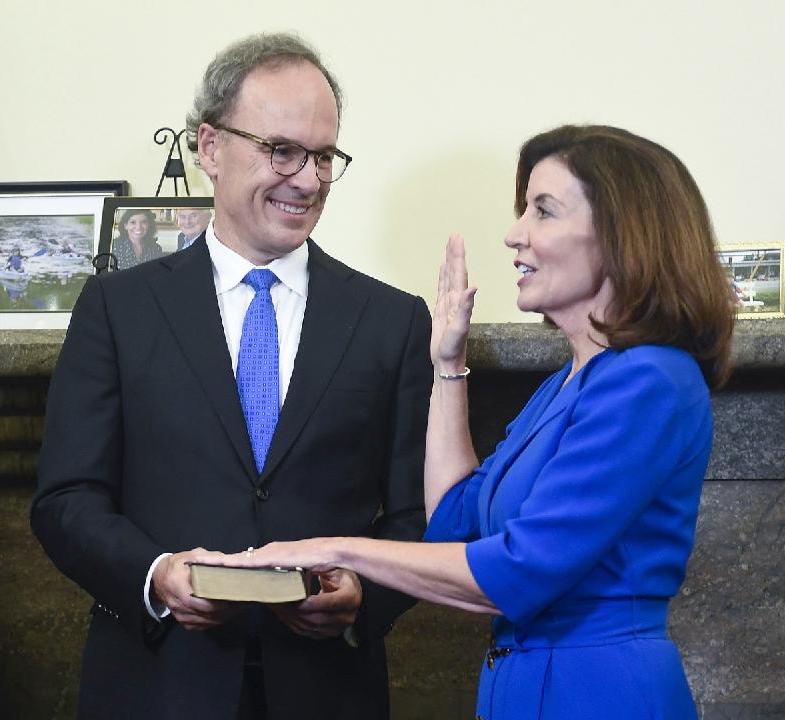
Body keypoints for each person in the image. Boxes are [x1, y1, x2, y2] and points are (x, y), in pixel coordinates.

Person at [205, 125, 735, 719]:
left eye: (543, 211)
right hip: (524, 688)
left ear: (621, 236)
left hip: (599, 692)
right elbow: (454, 519)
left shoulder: (649, 381)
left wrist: (330, 550)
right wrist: (447, 361)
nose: (514, 235)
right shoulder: (568, 383)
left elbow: (516, 572)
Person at [31, 33, 432, 719]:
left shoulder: (392, 321)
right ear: (211, 148)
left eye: (324, 156)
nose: (307, 179)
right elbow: (67, 499)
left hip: (328, 690)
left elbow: (416, 516)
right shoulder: (117, 309)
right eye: (282, 151)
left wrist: (365, 596)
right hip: (158, 684)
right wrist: (157, 576)